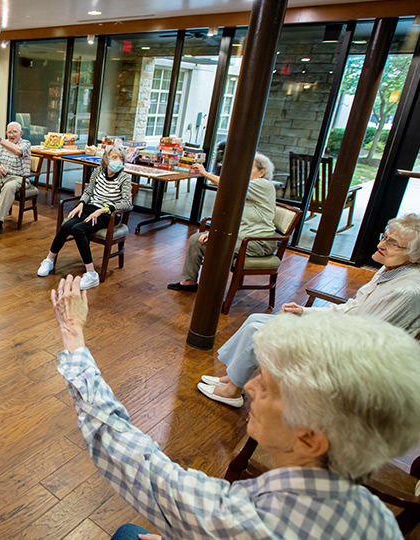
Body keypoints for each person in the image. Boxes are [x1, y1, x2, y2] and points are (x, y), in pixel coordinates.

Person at [51, 274, 420, 540]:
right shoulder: (378, 519)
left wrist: (73, 334)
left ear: (309, 439)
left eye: (270, 386)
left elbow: (129, 456)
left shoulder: (242, 519)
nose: (252, 386)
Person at [198, 212, 420, 408]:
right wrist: (306, 313)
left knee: (261, 330)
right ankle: (234, 378)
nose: (381, 245)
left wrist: (313, 329)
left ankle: (232, 391)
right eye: (385, 237)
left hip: (350, 355)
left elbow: (366, 336)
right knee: (257, 318)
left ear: (415, 255)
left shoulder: (406, 290)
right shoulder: (389, 269)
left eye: (393, 243)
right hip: (344, 333)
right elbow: (353, 307)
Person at [167, 153, 276, 292]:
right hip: (241, 238)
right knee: (197, 239)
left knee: (219, 245)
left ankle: (214, 291)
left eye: (250, 167)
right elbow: (232, 218)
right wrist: (213, 232)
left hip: (258, 241)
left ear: (262, 172)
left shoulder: (263, 185)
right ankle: (189, 282)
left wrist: (204, 173)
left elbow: (229, 185)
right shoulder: (246, 190)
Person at [37, 146, 132, 291]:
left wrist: (103, 210)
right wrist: (81, 204)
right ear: (106, 160)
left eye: (121, 158)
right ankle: (49, 260)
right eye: (114, 157)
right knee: (67, 225)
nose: (118, 161)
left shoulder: (124, 178)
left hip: (108, 215)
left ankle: (91, 274)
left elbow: (127, 202)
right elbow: (88, 191)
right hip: (91, 208)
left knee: (78, 229)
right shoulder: (98, 172)